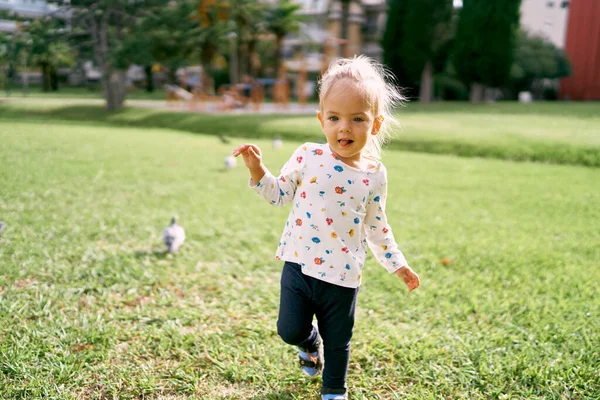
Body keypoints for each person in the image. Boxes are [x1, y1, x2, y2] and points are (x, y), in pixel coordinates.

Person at [232, 56, 420, 400]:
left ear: (375, 125)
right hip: (299, 265)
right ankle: (308, 342)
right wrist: (258, 169)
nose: (343, 128)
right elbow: (279, 196)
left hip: (343, 276)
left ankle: (334, 390)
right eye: (334, 118)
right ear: (322, 120)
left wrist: (398, 263)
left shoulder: (374, 174)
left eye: (357, 119)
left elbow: (378, 226)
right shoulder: (307, 156)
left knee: (339, 341)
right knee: (289, 330)